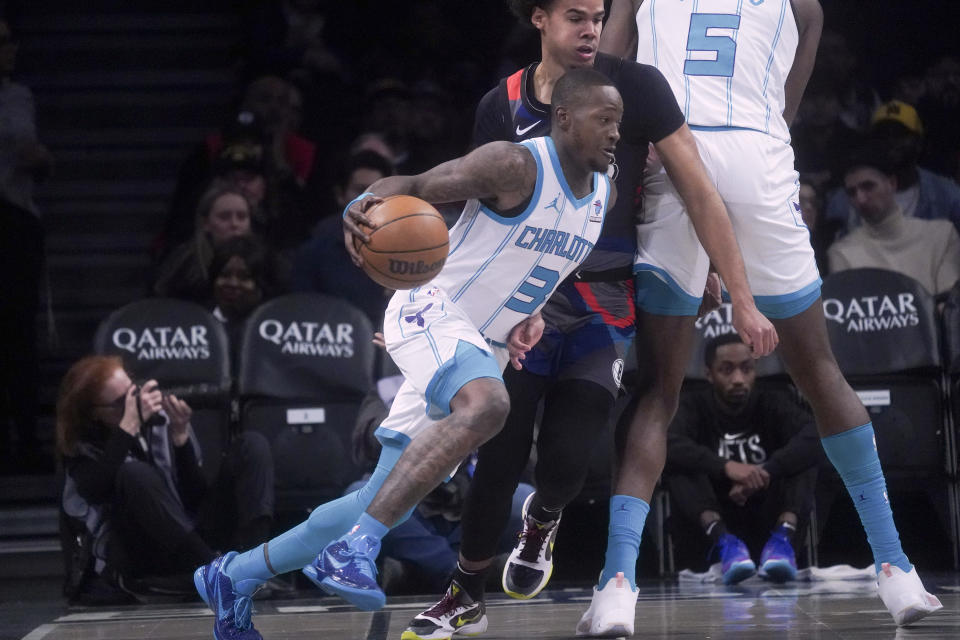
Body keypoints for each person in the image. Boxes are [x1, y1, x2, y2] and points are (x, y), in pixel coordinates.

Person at [194, 67, 623, 640]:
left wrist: (531, 312)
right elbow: (415, 185)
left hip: (484, 343)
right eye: (605, 120)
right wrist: (368, 202)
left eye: (620, 121)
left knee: (380, 495)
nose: (616, 133)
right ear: (564, 119)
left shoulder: (603, 192)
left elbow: (538, 261)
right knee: (490, 406)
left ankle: (234, 576)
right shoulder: (515, 164)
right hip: (433, 310)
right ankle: (355, 550)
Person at [403, 1, 778, 636]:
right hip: (519, 301)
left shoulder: (633, 87)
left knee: (568, 462)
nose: (592, 29)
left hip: (603, 302)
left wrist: (738, 290)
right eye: (575, 15)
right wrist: (423, 302)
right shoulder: (501, 105)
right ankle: (465, 592)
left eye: (600, 16)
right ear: (538, 19)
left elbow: (698, 189)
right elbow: (470, 225)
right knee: (497, 455)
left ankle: (544, 519)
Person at [596, 0, 942, 633]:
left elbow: (608, 73)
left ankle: (617, 583)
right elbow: (787, 104)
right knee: (820, 373)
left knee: (659, 393)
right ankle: (896, 570)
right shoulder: (803, 5)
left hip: (676, 153)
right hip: (757, 157)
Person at [57, 356, 274, 601]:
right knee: (135, 473)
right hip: (140, 551)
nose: (136, 404)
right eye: (122, 402)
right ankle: (221, 574)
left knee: (252, 445)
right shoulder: (81, 448)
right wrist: (128, 426)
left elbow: (195, 499)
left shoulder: (157, 422)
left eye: (134, 392)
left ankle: (256, 567)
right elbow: (96, 489)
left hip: (187, 540)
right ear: (94, 414)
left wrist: (180, 440)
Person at [664, 334, 821, 584]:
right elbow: (667, 442)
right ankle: (726, 543)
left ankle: (782, 541)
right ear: (709, 374)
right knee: (675, 464)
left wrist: (766, 471)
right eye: (726, 370)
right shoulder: (693, 405)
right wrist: (725, 467)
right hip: (714, 518)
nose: (738, 379)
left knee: (804, 458)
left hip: (767, 512)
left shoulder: (772, 402)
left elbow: (816, 436)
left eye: (746, 369)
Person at [0, 17, 54, 473]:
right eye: (2, 42)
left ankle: (26, 440)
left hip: (13, 220)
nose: (10, 50)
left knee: (18, 334)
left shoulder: (17, 96)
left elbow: (30, 152)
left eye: (10, 39)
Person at [828, 149, 960, 298]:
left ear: (892, 183)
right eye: (852, 192)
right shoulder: (842, 252)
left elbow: (948, 306)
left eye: (868, 187)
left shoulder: (941, 235)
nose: (860, 199)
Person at [291, 149, 396, 327]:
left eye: (379, 192)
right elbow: (303, 314)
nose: (369, 200)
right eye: (361, 190)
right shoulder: (314, 252)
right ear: (340, 195)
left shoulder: (408, 245)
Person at [824, 101, 960, 234]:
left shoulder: (948, 197)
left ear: (918, 143)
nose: (891, 141)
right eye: (882, 135)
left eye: (900, 134)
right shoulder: (845, 198)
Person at [153, 181, 254, 304]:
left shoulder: (268, 261)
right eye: (224, 217)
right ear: (206, 223)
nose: (234, 224)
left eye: (242, 217)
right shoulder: (183, 266)